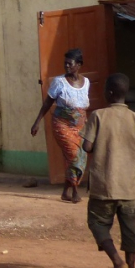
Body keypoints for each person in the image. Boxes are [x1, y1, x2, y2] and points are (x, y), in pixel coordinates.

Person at [81, 73, 135, 268]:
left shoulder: (98, 116)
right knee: (129, 232)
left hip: (103, 186)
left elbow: (87, 147)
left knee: (97, 224)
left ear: (110, 93)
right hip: (129, 189)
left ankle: (117, 263)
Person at [30, 48, 91, 203]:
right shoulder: (59, 82)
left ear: (79, 64)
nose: (67, 67)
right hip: (62, 124)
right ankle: (75, 191)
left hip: (81, 126)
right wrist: (37, 122)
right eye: (65, 64)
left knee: (79, 156)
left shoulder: (86, 82)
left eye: (70, 64)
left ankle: (65, 191)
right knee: (73, 155)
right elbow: (47, 103)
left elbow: (82, 107)